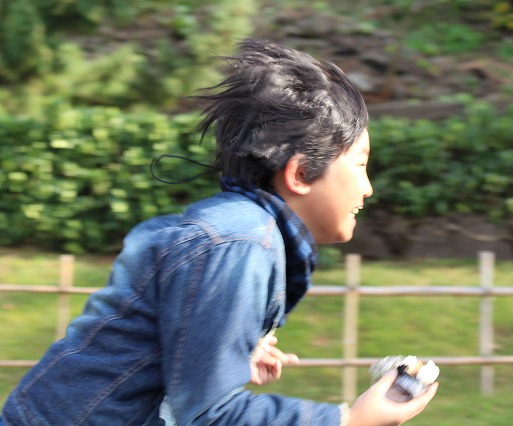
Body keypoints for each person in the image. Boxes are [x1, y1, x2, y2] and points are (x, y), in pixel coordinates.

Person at [1, 39, 438, 425]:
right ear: (301, 173)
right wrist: (349, 420)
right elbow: (210, 416)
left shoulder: (241, 230)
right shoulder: (240, 243)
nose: (368, 188)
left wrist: (224, 352)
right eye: (360, 165)